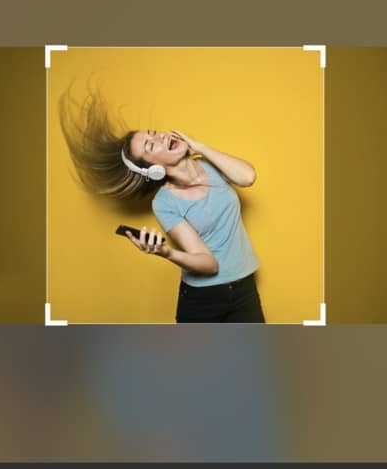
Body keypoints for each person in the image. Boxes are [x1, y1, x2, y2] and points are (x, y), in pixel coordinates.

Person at [59, 90, 265, 323]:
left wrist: (200, 147)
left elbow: (247, 177)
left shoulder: (211, 164)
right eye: (150, 146)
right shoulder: (165, 203)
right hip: (203, 299)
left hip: (244, 287)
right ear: (153, 169)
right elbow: (208, 264)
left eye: (154, 134)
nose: (159, 138)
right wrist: (165, 252)